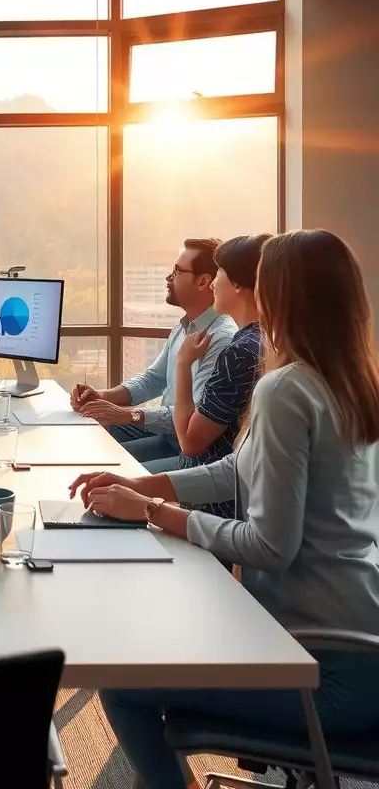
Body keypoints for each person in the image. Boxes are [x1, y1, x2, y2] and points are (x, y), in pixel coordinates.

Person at [69, 229, 379, 789]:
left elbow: (269, 546)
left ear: (283, 295)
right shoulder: (350, 382)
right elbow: (240, 471)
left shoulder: (286, 389)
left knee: (121, 682)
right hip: (354, 640)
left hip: (321, 664)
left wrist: (148, 512)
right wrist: (147, 486)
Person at [71, 239, 236, 467]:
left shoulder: (220, 339)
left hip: (192, 456)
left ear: (203, 282)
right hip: (166, 437)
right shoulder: (185, 326)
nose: (169, 277)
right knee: (86, 439)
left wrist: (128, 415)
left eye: (177, 271)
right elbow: (153, 379)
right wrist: (102, 397)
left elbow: (193, 421)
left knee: (111, 474)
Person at [164, 235, 269, 511]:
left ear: (237, 285)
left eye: (219, 273)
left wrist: (183, 364)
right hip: (216, 490)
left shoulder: (241, 351)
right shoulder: (265, 340)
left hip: (211, 504)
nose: (212, 283)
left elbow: (189, 442)